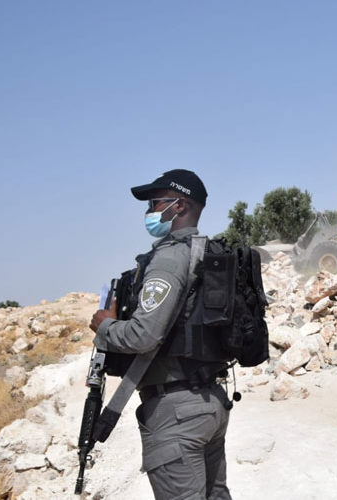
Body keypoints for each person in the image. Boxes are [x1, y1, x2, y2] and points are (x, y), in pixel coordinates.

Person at [89, 169, 232, 499]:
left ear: (179, 206)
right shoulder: (206, 253)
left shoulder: (168, 258)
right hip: (210, 402)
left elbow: (143, 336)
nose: (150, 212)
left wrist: (104, 326)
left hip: (176, 413)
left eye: (155, 204)